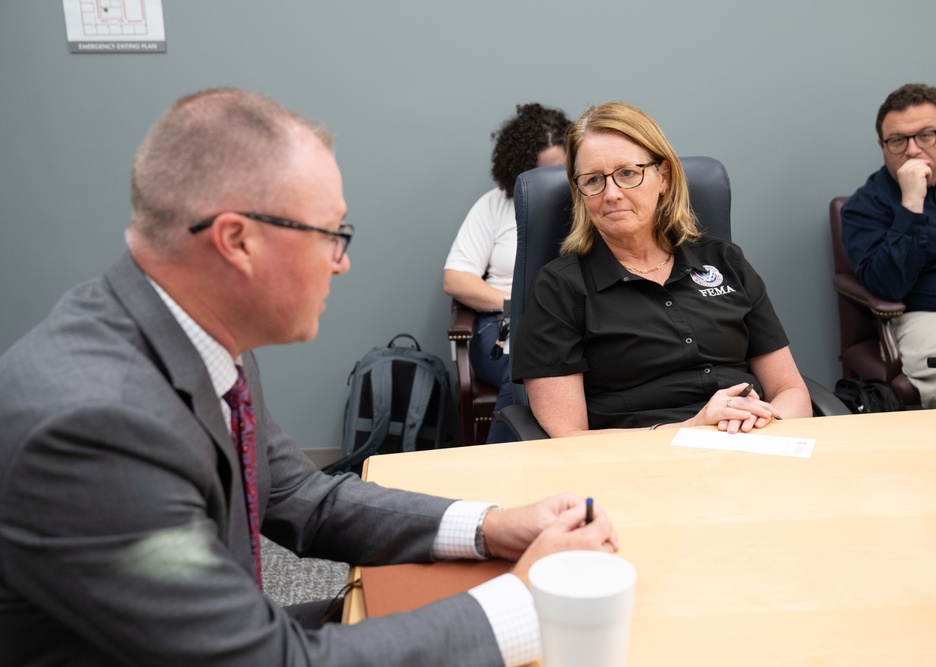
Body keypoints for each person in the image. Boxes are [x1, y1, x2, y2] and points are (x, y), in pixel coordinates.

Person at [0, 88, 617, 667]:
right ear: (237, 242)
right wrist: (532, 600)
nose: (342, 263)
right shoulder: (93, 427)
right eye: (331, 235)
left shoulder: (192, 333)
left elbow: (301, 497)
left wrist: (491, 526)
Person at [511, 101, 812, 438]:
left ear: (663, 178)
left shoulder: (726, 261)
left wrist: (765, 425)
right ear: (579, 192)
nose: (611, 194)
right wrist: (690, 430)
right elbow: (568, 437)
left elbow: (792, 392)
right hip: (641, 467)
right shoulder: (559, 288)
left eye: (627, 173)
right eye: (593, 180)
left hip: (753, 446)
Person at [840, 83, 936, 409]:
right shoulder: (864, 206)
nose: (913, 150)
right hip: (929, 317)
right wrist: (911, 203)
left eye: (926, 135)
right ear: (882, 145)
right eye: (898, 140)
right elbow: (887, 285)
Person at [444, 103, 570, 443]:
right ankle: (499, 479)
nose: (553, 183)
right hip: (504, 328)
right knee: (525, 366)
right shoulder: (494, 205)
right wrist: (516, 303)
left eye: (562, 172)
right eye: (542, 175)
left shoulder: (590, 204)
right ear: (520, 170)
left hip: (568, 326)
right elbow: (456, 278)